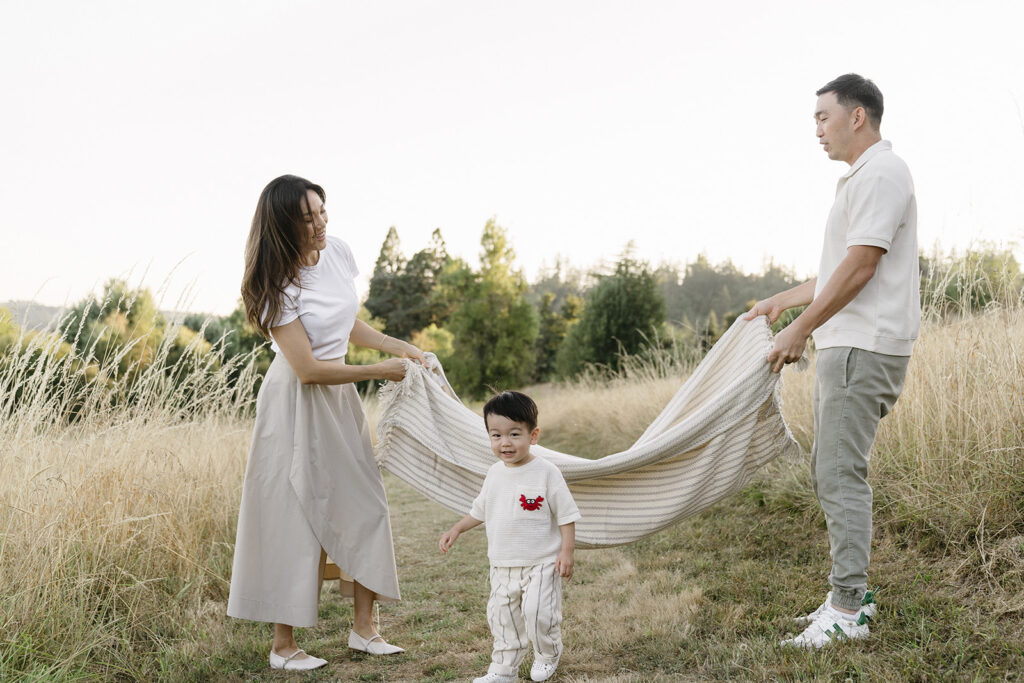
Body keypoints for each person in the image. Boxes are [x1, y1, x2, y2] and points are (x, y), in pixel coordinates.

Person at [744, 74, 919, 649]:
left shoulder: (882, 173)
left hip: (861, 346)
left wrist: (801, 328)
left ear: (858, 116)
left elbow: (863, 265)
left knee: (839, 473)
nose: (817, 130)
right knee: (832, 470)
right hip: (848, 343)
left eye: (823, 117)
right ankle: (849, 595)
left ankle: (848, 609)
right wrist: (780, 302)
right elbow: (837, 271)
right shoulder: (860, 181)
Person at [226, 174, 427, 670]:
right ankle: (283, 647)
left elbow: (344, 323)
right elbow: (309, 368)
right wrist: (378, 371)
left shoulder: (336, 252)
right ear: (281, 226)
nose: (319, 223)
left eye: (321, 210)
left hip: (339, 398)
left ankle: (365, 631)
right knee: (293, 515)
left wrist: (397, 346)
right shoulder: (275, 285)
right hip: (295, 399)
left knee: (366, 502)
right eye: (306, 217)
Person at [439, 391, 581, 683]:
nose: (505, 442)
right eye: (496, 435)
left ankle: (547, 653)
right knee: (503, 619)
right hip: (502, 564)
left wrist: (567, 552)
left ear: (533, 435)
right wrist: (457, 528)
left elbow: (566, 515)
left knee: (537, 612)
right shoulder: (494, 474)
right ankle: (504, 670)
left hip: (542, 562)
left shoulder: (546, 472)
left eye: (514, 434)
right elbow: (480, 510)